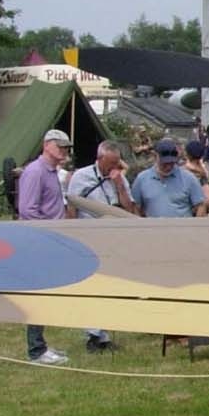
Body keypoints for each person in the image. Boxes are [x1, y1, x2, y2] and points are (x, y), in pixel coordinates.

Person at [65, 140, 138, 352]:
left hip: (112, 239)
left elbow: (129, 208)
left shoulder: (119, 178)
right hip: (88, 238)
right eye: (110, 163)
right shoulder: (81, 177)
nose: (113, 168)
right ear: (99, 159)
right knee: (92, 287)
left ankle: (103, 334)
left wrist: (118, 184)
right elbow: (72, 206)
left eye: (116, 163)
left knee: (110, 287)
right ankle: (92, 335)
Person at [16, 129, 73, 365]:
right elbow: (27, 210)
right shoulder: (35, 172)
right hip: (37, 243)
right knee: (37, 297)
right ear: (47, 145)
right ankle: (36, 351)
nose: (64, 150)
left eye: (66, 147)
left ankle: (40, 345)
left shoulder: (51, 172)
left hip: (48, 241)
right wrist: (51, 233)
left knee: (45, 295)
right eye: (60, 146)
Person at [131, 138, 208, 217]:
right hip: (153, 228)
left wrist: (196, 226)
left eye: (171, 163)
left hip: (182, 227)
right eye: (164, 163)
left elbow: (201, 205)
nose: (168, 167)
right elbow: (135, 207)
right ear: (155, 156)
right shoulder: (142, 179)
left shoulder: (189, 179)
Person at [181, 138, 209, 215]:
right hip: (200, 202)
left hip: (198, 202)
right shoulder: (200, 169)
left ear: (188, 154)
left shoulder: (187, 168)